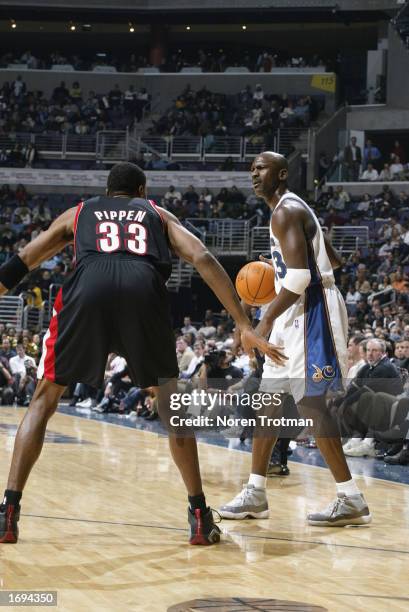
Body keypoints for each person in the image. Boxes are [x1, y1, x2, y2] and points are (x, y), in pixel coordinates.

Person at [0, 161, 285, 546]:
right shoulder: (157, 213)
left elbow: (27, 257)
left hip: (89, 291)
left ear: (107, 190)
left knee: (43, 400)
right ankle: (200, 515)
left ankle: (8, 512)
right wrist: (242, 321)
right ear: (142, 191)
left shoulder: (81, 211)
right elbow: (201, 257)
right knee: (172, 409)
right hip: (143, 290)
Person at [219, 151, 372, 527]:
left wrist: (262, 322)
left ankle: (350, 497)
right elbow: (331, 259)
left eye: (262, 168)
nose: (254, 173)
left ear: (282, 174)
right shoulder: (292, 210)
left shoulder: (285, 211)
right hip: (297, 310)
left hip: (312, 311)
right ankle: (255, 492)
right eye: (252, 168)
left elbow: (304, 278)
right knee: (269, 402)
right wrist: (284, 264)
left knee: (312, 405)